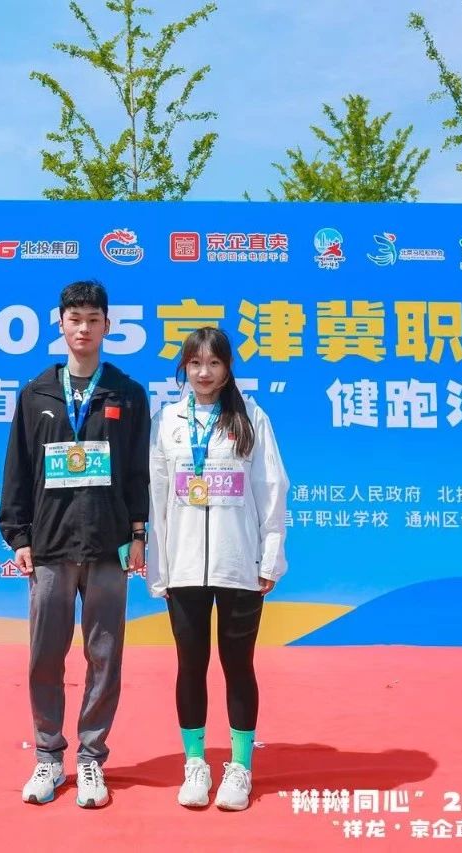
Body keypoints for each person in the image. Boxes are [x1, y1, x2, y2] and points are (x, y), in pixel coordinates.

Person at [0, 280, 151, 808]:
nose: (83, 328)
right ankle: (47, 756)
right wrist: (18, 535)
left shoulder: (127, 393)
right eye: (75, 319)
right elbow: (17, 469)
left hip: (108, 545)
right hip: (50, 544)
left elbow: (138, 472)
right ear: (59, 323)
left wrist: (138, 533)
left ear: (108, 325)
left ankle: (90, 759)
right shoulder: (37, 393)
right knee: (45, 655)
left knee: (104, 656)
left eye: (93, 319)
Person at [147, 326, 290, 811]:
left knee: (238, 665)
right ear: (183, 369)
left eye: (214, 363)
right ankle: (195, 763)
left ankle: (240, 766)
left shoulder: (251, 417)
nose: (204, 373)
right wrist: (159, 567)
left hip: (238, 564)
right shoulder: (167, 421)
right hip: (184, 566)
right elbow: (156, 495)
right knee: (190, 664)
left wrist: (270, 555)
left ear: (228, 368)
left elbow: (272, 488)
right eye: (195, 364)